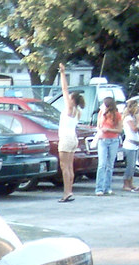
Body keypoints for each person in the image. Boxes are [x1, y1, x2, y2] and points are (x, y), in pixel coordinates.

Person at [57, 64, 84, 203]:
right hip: (73, 138)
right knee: (70, 166)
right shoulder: (78, 111)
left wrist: (63, 73)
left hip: (66, 138)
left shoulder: (69, 108)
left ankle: (66, 192)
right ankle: (69, 190)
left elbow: (64, 89)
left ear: (72, 100)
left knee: (64, 166)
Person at [94, 96, 121, 195]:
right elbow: (98, 126)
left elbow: (119, 130)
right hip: (103, 139)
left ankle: (107, 187)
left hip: (113, 140)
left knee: (110, 165)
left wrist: (109, 130)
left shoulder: (117, 115)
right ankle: (99, 188)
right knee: (102, 164)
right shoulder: (101, 114)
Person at [120, 99, 139, 191]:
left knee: (133, 166)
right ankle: (126, 183)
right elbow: (134, 129)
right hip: (130, 145)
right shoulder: (128, 118)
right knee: (130, 165)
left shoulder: (132, 118)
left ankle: (131, 182)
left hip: (135, 145)